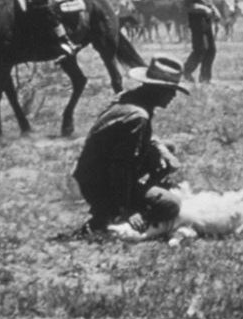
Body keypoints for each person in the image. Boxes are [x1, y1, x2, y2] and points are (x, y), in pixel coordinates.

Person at [68, 56, 190, 238]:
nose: (173, 96)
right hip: (101, 183)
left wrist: (163, 151)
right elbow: (121, 168)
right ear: (156, 89)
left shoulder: (129, 99)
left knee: (168, 147)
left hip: (92, 171)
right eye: (170, 90)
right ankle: (114, 213)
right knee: (171, 205)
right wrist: (129, 209)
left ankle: (130, 199)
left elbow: (143, 142)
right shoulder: (138, 117)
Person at [183, 0, 220, 84]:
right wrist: (203, 8)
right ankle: (187, 71)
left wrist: (215, 10)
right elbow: (187, 5)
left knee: (211, 50)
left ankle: (205, 79)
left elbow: (208, 1)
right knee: (200, 50)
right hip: (196, 20)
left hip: (207, 20)